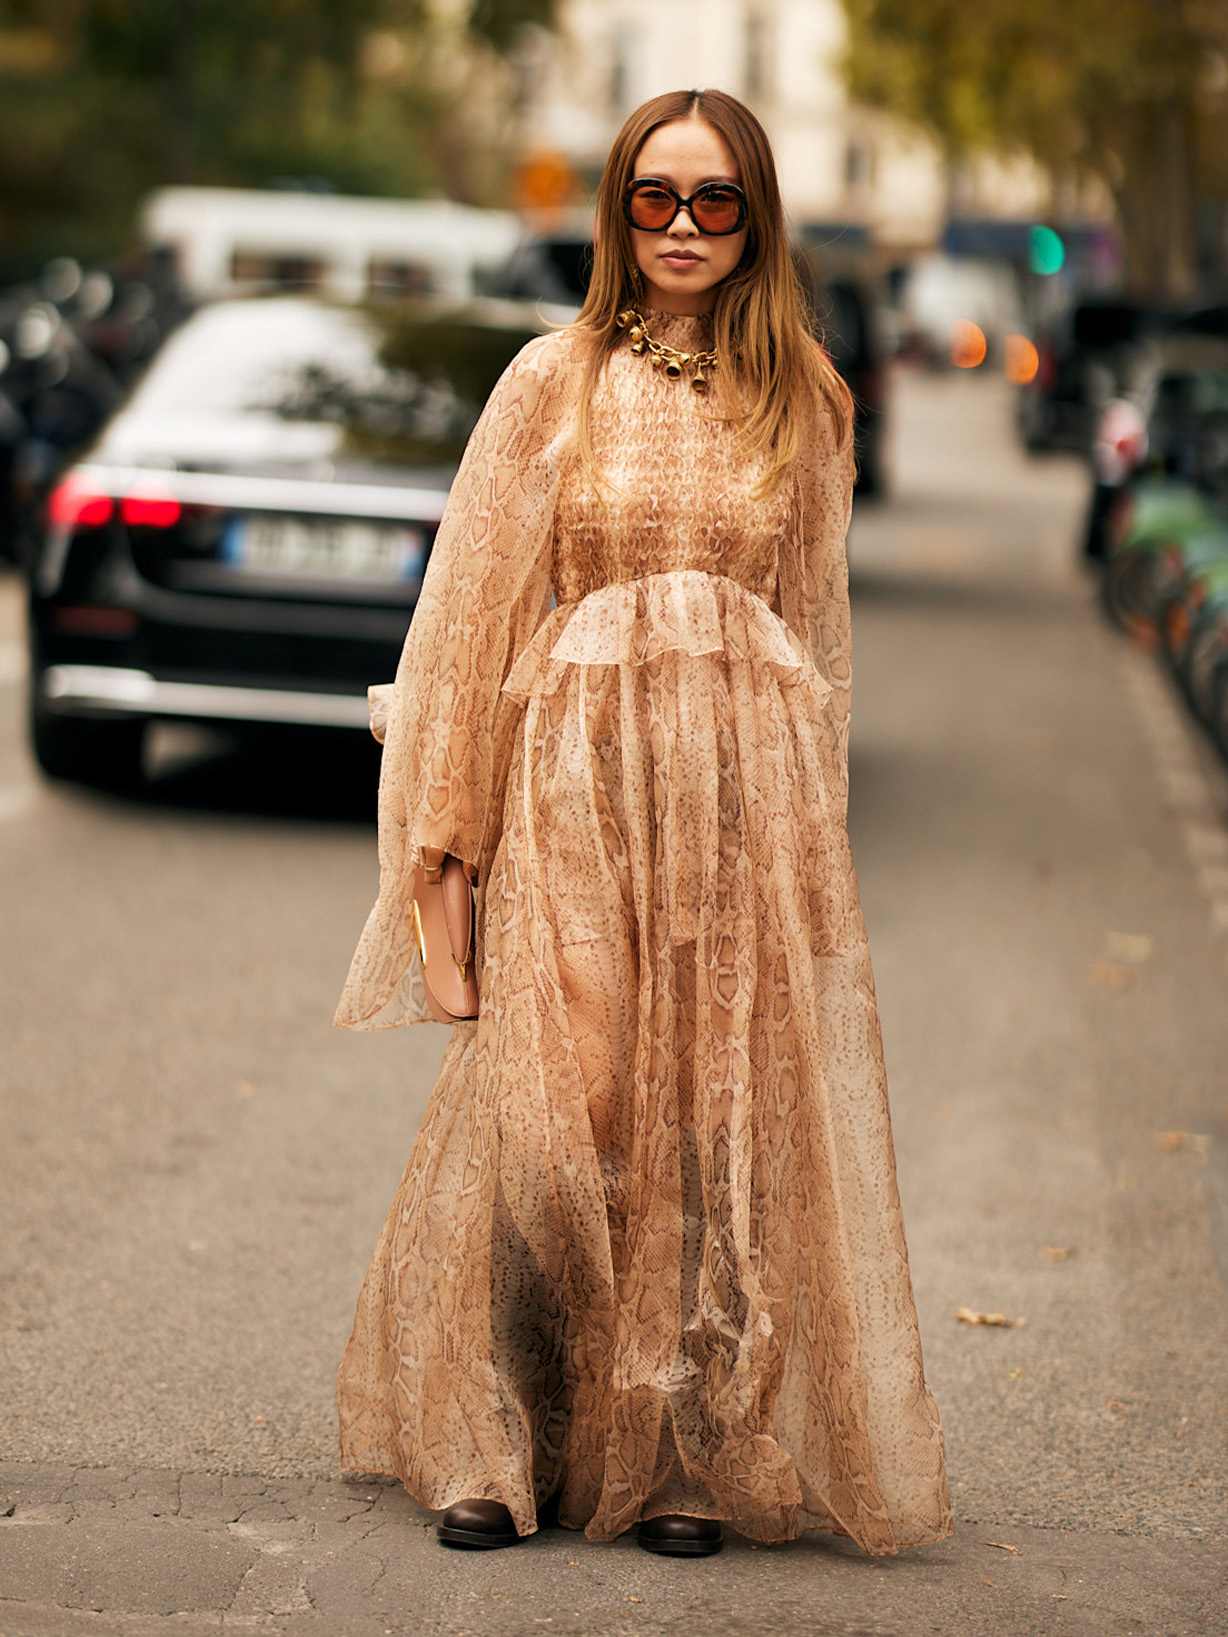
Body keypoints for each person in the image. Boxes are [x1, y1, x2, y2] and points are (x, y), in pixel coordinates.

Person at [331, 87, 955, 1561]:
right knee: (562, 1106)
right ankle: (499, 1434)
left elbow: (823, 643)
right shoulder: (552, 379)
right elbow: (466, 628)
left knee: (706, 1117)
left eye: (715, 199)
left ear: (758, 218)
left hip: (739, 797)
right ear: (617, 212)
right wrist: (442, 871)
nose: (682, 226)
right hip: (576, 789)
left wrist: (815, 853)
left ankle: (679, 1450)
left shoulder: (805, 395)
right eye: (654, 198)